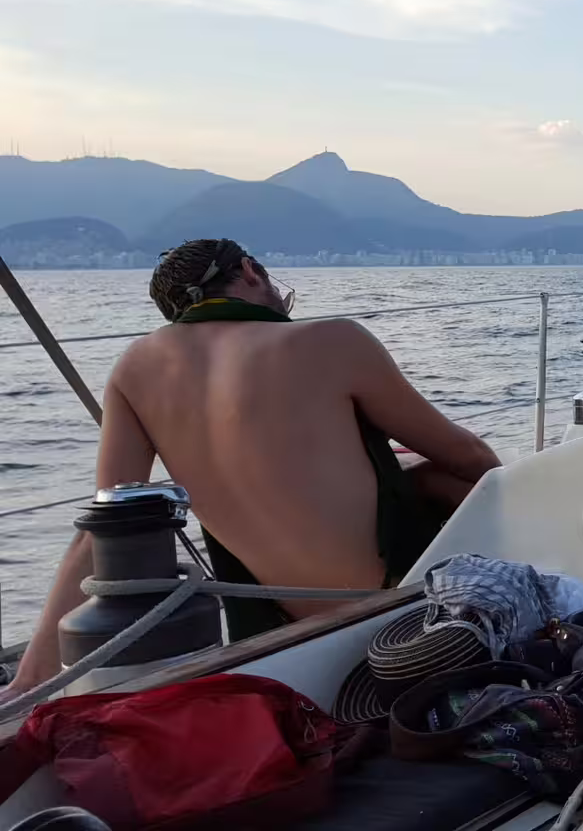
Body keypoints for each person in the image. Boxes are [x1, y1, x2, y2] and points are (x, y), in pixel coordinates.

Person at [4, 239, 501, 697]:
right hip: (394, 605)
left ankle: (24, 683)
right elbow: (473, 460)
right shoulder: (332, 340)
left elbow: (107, 528)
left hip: (277, 630)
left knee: (409, 471)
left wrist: (29, 681)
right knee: (438, 476)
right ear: (248, 271)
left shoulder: (134, 366)